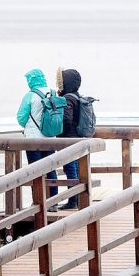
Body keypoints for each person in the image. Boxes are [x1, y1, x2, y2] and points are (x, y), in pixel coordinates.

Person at [16, 68, 59, 206]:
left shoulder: (30, 95)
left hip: (33, 139)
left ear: (31, 80)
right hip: (50, 137)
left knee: (35, 171)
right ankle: (53, 202)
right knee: (51, 169)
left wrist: (28, 125)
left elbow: (21, 118)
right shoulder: (52, 92)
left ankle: (37, 202)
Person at [57, 67, 83, 210]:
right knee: (78, 169)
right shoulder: (78, 96)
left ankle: (73, 201)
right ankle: (78, 199)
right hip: (78, 138)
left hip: (69, 140)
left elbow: (67, 120)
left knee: (70, 170)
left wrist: (59, 132)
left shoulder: (67, 99)